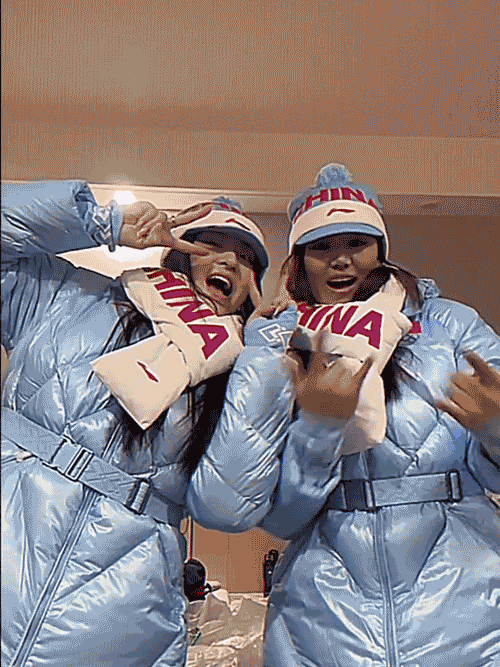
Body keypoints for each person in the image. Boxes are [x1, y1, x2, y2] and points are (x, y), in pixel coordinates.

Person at [187, 164, 500, 667]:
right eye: (321, 247)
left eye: (357, 242)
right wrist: (319, 429)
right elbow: (279, 518)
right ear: (299, 260)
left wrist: (495, 429)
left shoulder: (448, 324)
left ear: (380, 249)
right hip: (326, 616)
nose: (340, 260)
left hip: (467, 603)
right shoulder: (282, 341)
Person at [1, 180, 269, 667]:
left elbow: (228, 506)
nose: (230, 261)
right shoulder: (72, 295)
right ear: (180, 254)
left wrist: (264, 357)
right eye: (212, 244)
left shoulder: (240, 381)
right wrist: (101, 223)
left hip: (119, 617)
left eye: (248, 258)